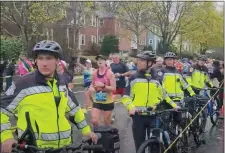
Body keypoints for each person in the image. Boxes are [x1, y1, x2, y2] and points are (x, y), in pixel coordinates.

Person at [0, 40, 97, 153]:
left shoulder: (62, 82)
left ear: (57, 61)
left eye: (49, 58)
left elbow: (75, 110)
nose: (44, 63)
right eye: (40, 58)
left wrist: (86, 131)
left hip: (64, 147)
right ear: (35, 60)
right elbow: (2, 110)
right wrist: (6, 137)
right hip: (34, 147)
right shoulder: (23, 83)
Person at [121, 51, 179, 151]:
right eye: (138, 60)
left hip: (154, 116)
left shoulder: (156, 78)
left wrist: (174, 105)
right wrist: (131, 107)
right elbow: (125, 96)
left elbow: (164, 95)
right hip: (138, 116)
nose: (138, 62)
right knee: (140, 147)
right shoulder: (133, 78)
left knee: (155, 146)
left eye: (142, 60)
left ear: (150, 63)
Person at [88, 55, 116, 126]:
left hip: (108, 102)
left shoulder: (110, 73)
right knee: (94, 120)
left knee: (106, 122)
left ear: (105, 61)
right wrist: (92, 88)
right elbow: (92, 85)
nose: (99, 61)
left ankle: (108, 133)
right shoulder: (94, 73)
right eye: (98, 60)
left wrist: (103, 86)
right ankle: (100, 133)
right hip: (97, 100)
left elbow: (114, 88)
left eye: (101, 59)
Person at [110, 53, 131, 122]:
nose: (114, 59)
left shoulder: (123, 65)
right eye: (113, 58)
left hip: (122, 85)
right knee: (111, 100)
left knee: (126, 100)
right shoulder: (111, 65)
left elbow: (129, 73)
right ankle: (112, 115)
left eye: (116, 58)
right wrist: (113, 75)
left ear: (118, 58)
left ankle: (130, 112)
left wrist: (121, 74)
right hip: (114, 86)